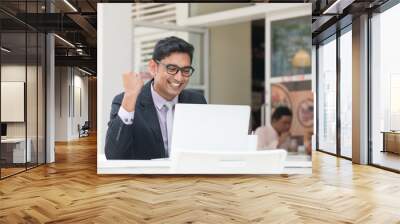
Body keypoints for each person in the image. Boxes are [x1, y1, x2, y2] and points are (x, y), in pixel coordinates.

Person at [105, 36, 207, 160]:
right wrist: (130, 97)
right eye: (172, 69)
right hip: (146, 178)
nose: (179, 78)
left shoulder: (196, 101)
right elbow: (114, 155)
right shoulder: (126, 101)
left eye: (186, 70)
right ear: (153, 67)